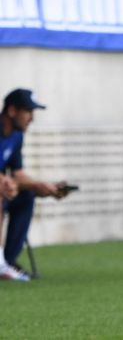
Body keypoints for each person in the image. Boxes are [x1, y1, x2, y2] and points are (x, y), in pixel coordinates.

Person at [1, 88, 67, 280]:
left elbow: (17, 173)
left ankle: (7, 261)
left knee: (26, 197)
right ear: (12, 111)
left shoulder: (16, 136)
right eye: (28, 112)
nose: (32, 118)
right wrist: (5, 183)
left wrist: (42, 186)